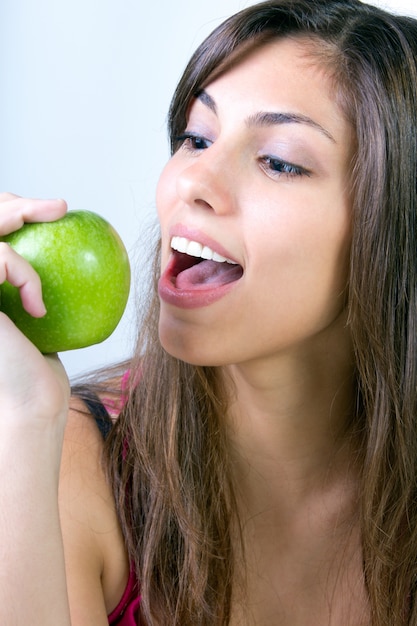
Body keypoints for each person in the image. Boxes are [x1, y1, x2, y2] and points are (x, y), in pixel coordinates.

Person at [2, 0, 417, 623]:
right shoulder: (67, 464)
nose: (194, 179)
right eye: (196, 138)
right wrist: (23, 420)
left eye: (279, 160)